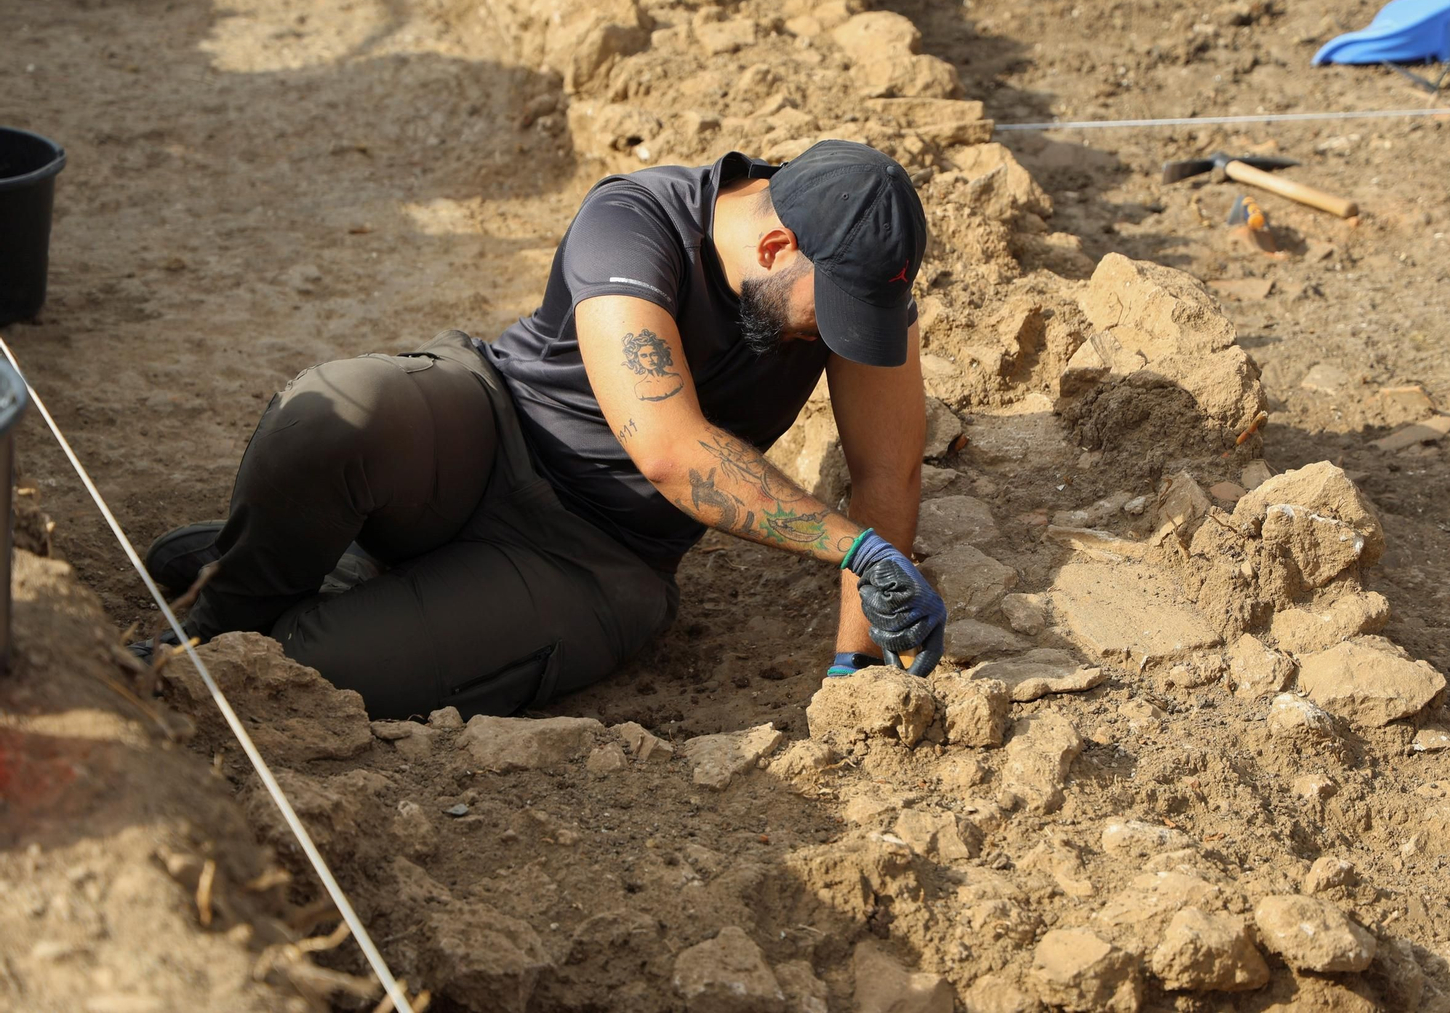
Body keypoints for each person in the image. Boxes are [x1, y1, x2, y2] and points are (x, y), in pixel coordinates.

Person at [136, 140, 948, 720]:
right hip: (491, 426)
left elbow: (886, 475)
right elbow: (669, 451)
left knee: (309, 670)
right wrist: (850, 546)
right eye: (828, 317)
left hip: (595, 559)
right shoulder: (637, 220)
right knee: (335, 413)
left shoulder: (860, 288)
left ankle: (327, 568)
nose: (838, 339)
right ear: (775, 245)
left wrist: (857, 671)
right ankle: (223, 607)